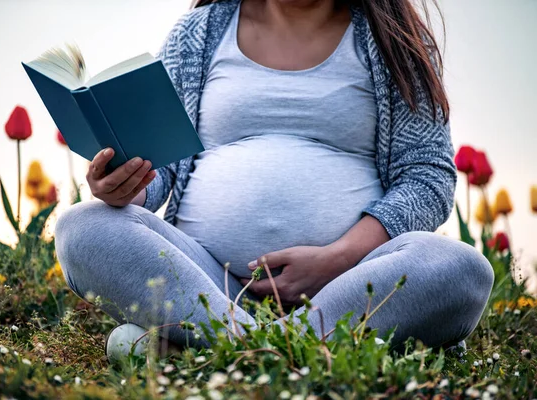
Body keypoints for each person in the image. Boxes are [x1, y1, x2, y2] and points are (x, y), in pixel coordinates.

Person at [55, 0, 494, 358]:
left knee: (464, 269)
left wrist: (339, 258)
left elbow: (427, 177)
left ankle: (201, 347)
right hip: (208, 284)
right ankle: (274, 347)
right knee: (81, 228)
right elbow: (163, 164)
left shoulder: (394, 42)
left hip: (350, 285)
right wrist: (129, 187)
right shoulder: (199, 32)